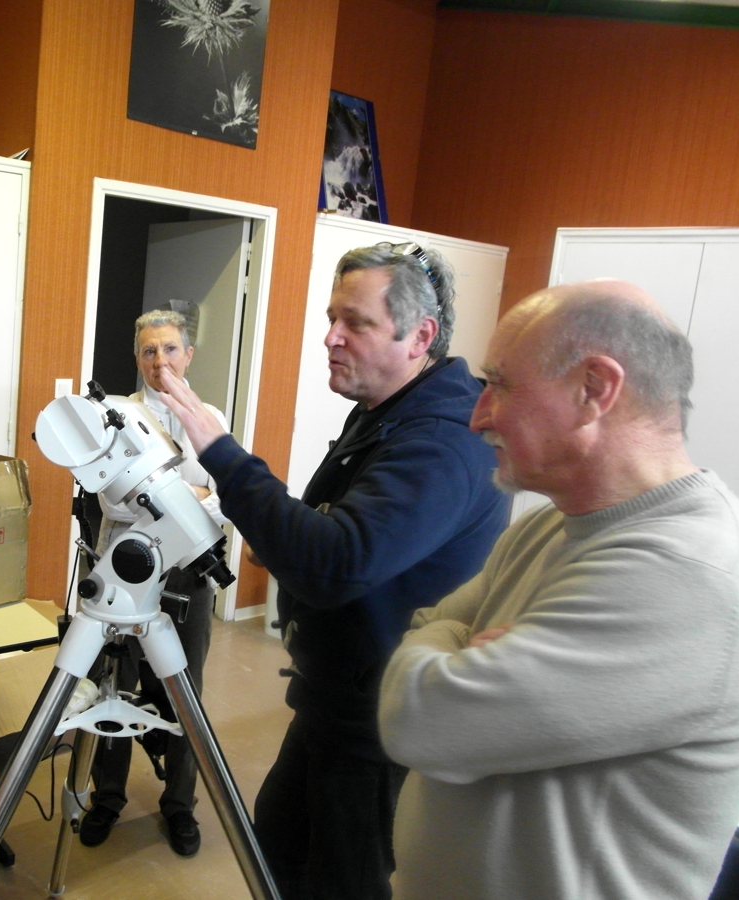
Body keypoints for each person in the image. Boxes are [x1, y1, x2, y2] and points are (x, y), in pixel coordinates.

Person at [158, 243, 508, 898]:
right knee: (278, 850)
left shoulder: (442, 438)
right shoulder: (383, 409)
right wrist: (285, 542)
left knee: (341, 880)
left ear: (420, 337)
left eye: (356, 323)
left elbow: (338, 562)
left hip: (379, 721)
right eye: (331, 318)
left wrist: (221, 453)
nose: (330, 338)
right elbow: (343, 525)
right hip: (334, 696)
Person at [378, 280, 739, 900]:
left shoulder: (688, 571)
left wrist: (451, 647)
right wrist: (455, 641)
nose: (477, 415)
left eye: (500, 384)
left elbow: (421, 719)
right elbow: (426, 626)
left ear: (594, 389)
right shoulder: (550, 523)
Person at [78, 309, 230, 857]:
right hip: (127, 573)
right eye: (148, 351)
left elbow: (228, 496)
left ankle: (180, 804)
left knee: (185, 690)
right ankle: (107, 797)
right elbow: (112, 502)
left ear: (188, 355)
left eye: (169, 349)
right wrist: (188, 496)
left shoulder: (210, 419)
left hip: (190, 574)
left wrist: (179, 498)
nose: (159, 360)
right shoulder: (119, 416)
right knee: (114, 684)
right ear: (138, 359)